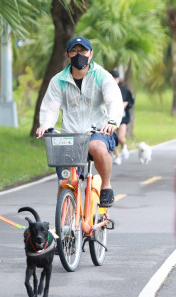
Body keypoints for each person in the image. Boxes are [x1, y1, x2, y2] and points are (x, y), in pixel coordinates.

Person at [36, 36, 124, 207]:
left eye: (83, 51)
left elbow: (113, 100)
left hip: (98, 132)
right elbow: (51, 108)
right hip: (71, 135)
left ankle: (106, 186)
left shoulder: (102, 76)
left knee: (95, 146)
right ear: (67, 55)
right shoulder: (58, 80)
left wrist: (112, 122)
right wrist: (46, 126)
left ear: (91, 54)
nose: (79, 54)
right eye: (74, 51)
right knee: (65, 184)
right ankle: (65, 224)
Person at [111, 70, 134, 165]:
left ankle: (124, 147)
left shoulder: (124, 90)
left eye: (116, 78)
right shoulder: (106, 89)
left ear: (118, 79)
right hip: (111, 117)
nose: (114, 79)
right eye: (112, 77)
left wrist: (126, 103)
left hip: (123, 117)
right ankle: (117, 156)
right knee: (112, 137)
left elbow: (131, 101)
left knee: (121, 137)